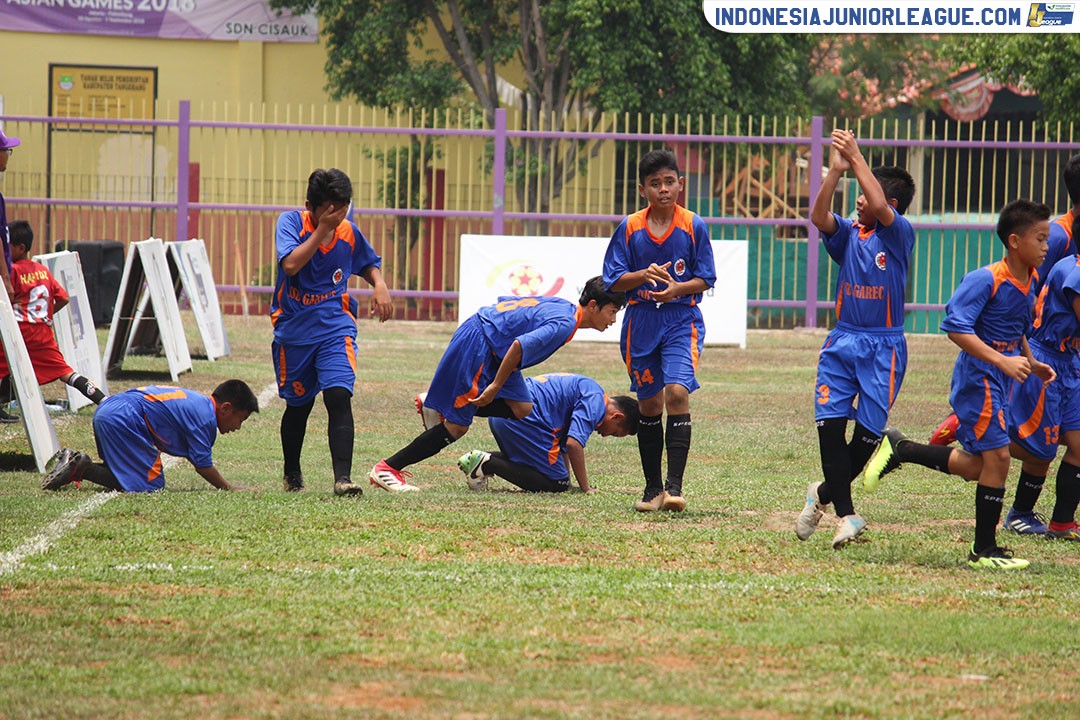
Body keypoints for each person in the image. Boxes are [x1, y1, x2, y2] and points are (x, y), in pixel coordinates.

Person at [863, 200, 1055, 570]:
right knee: (999, 459)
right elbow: (956, 328)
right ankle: (984, 551)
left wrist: (1030, 361)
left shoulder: (1031, 278)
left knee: (979, 467)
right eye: (1041, 238)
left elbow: (1016, 328)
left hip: (1002, 379)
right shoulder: (986, 279)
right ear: (1015, 241)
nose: (1046, 246)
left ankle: (902, 448)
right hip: (978, 379)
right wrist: (1000, 360)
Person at [369, 277, 626, 492]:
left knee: (522, 407)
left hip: (497, 349)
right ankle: (388, 468)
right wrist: (494, 385)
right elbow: (519, 346)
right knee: (457, 427)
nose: (613, 320)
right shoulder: (565, 323)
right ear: (593, 306)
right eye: (612, 312)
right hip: (483, 343)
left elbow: (510, 309)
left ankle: (441, 402)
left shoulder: (565, 308)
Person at [794, 130, 916, 548]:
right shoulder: (849, 234)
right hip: (842, 342)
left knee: (865, 439)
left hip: (884, 347)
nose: (859, 200)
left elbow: (878, 206)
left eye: (864, 193)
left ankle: (822, 493)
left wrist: (857, 156)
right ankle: (847, 516)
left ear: (890, 203)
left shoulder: (898, 235)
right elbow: (818, 216)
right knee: (829, 428)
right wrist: (836, 171)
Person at [929, 153, 1080, 447]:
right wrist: (1025, 354)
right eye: (1040, 240)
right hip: (1041, 345)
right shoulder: (1059, 235)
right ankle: (957, 427)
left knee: (1047, 444)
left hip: (1052, 349)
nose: (1043, 245)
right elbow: (1024, 292)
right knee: (1019, 445)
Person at [602, 149, 716, 513]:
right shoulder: (630, 227)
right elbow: (612, 279)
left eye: (669, 182)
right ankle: (652, 489)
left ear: (680, 184)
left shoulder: (693, 225)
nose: (663, 189)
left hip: (681, 320)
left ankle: (674, 488)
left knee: (677, 393)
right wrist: (642, 275)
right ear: (642, 189)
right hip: (641, 322)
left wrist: (677, 289)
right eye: (655, 184)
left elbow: (706, 277)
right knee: (649, 404)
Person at [271, 168, 393, 497]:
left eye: (343, 208)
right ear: (310, 206)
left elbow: (367, 262)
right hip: (294, 330)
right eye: (330, 210)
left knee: (338, 395)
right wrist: (322, 228)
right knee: (298, 406)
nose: (338, 216)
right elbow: (291, 265)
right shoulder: (291, 223)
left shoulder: (348, 232)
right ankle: (292, 472)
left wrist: (379, 283)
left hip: (335, 326)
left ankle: (343, 479)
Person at [998, 212, 1080, 541]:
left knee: (1076, 444)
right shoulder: (1075, 271)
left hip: (1068, 362)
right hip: (1047, 362)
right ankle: (1019, 513)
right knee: (1038, 448)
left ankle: (1062, 523)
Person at [41, 379, 259, 493]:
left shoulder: (198, 402)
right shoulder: (206, 419)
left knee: (127, 472)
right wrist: (231, 488)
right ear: (226, 408)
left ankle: (73, 462)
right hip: (125, 417)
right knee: (151, 485)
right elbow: (203, 465)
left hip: (111, 410)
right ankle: (82, 468)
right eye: (240, 419)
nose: (238, 427)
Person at [456, 372, 640, 493]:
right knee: (556, 484)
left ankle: (478, 459)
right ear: (617, 417)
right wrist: (586, 488)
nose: (606, 435)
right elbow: (573, 444)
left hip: (503, 413)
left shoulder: (591, 389)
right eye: (615, 433)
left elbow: (563, 445)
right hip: (522, 418)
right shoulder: (595, 403)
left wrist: (568, 482)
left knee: (559, 479)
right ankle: (488, 464)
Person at [0, 220, 106, 406]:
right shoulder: (42, 271)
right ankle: (103, 400)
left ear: (21, 248)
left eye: (8, 248)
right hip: (42, 334)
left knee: (6, 365)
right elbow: (64, 298)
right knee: (66, 373)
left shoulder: (12, 272)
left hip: (19, 331)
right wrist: (46, 316)